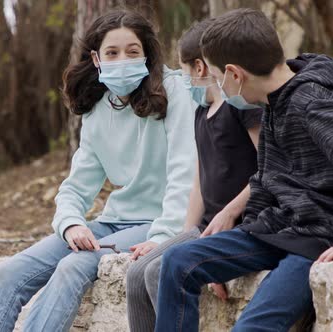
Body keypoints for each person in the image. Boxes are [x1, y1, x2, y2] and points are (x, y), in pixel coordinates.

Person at [154, 8, 333, 332]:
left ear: (234, 74)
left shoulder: (312, 103)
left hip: (322, 238)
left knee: (250, 328)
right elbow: (271, 174)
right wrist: (233, 218)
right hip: (280, 228)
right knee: (178, 262)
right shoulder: (274, 100)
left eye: (216, 77)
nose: (218, 86)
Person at [0, 9, 197, 332]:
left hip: (156, 222)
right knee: (6, 275)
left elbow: (185, 174)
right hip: (112, 223)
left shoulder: (174, 93)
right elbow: (75, 188)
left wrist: (163, 236)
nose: (122, 60)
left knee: (71, 268)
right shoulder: (97, 111)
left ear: (147, 56)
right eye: (112, 53)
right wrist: (71, 224)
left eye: (133, 52)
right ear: (96, 58)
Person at [125, 18, 262, 332]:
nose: (183, 78)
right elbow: (199, 181)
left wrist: (231, 213)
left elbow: (268, 167)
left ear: (200, 68)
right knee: (136, 272)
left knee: (157, 271)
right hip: (204, 226)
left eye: (184, 70)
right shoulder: (200, 112)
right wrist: (180, 238)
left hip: (238, 224)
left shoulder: (241, 107)